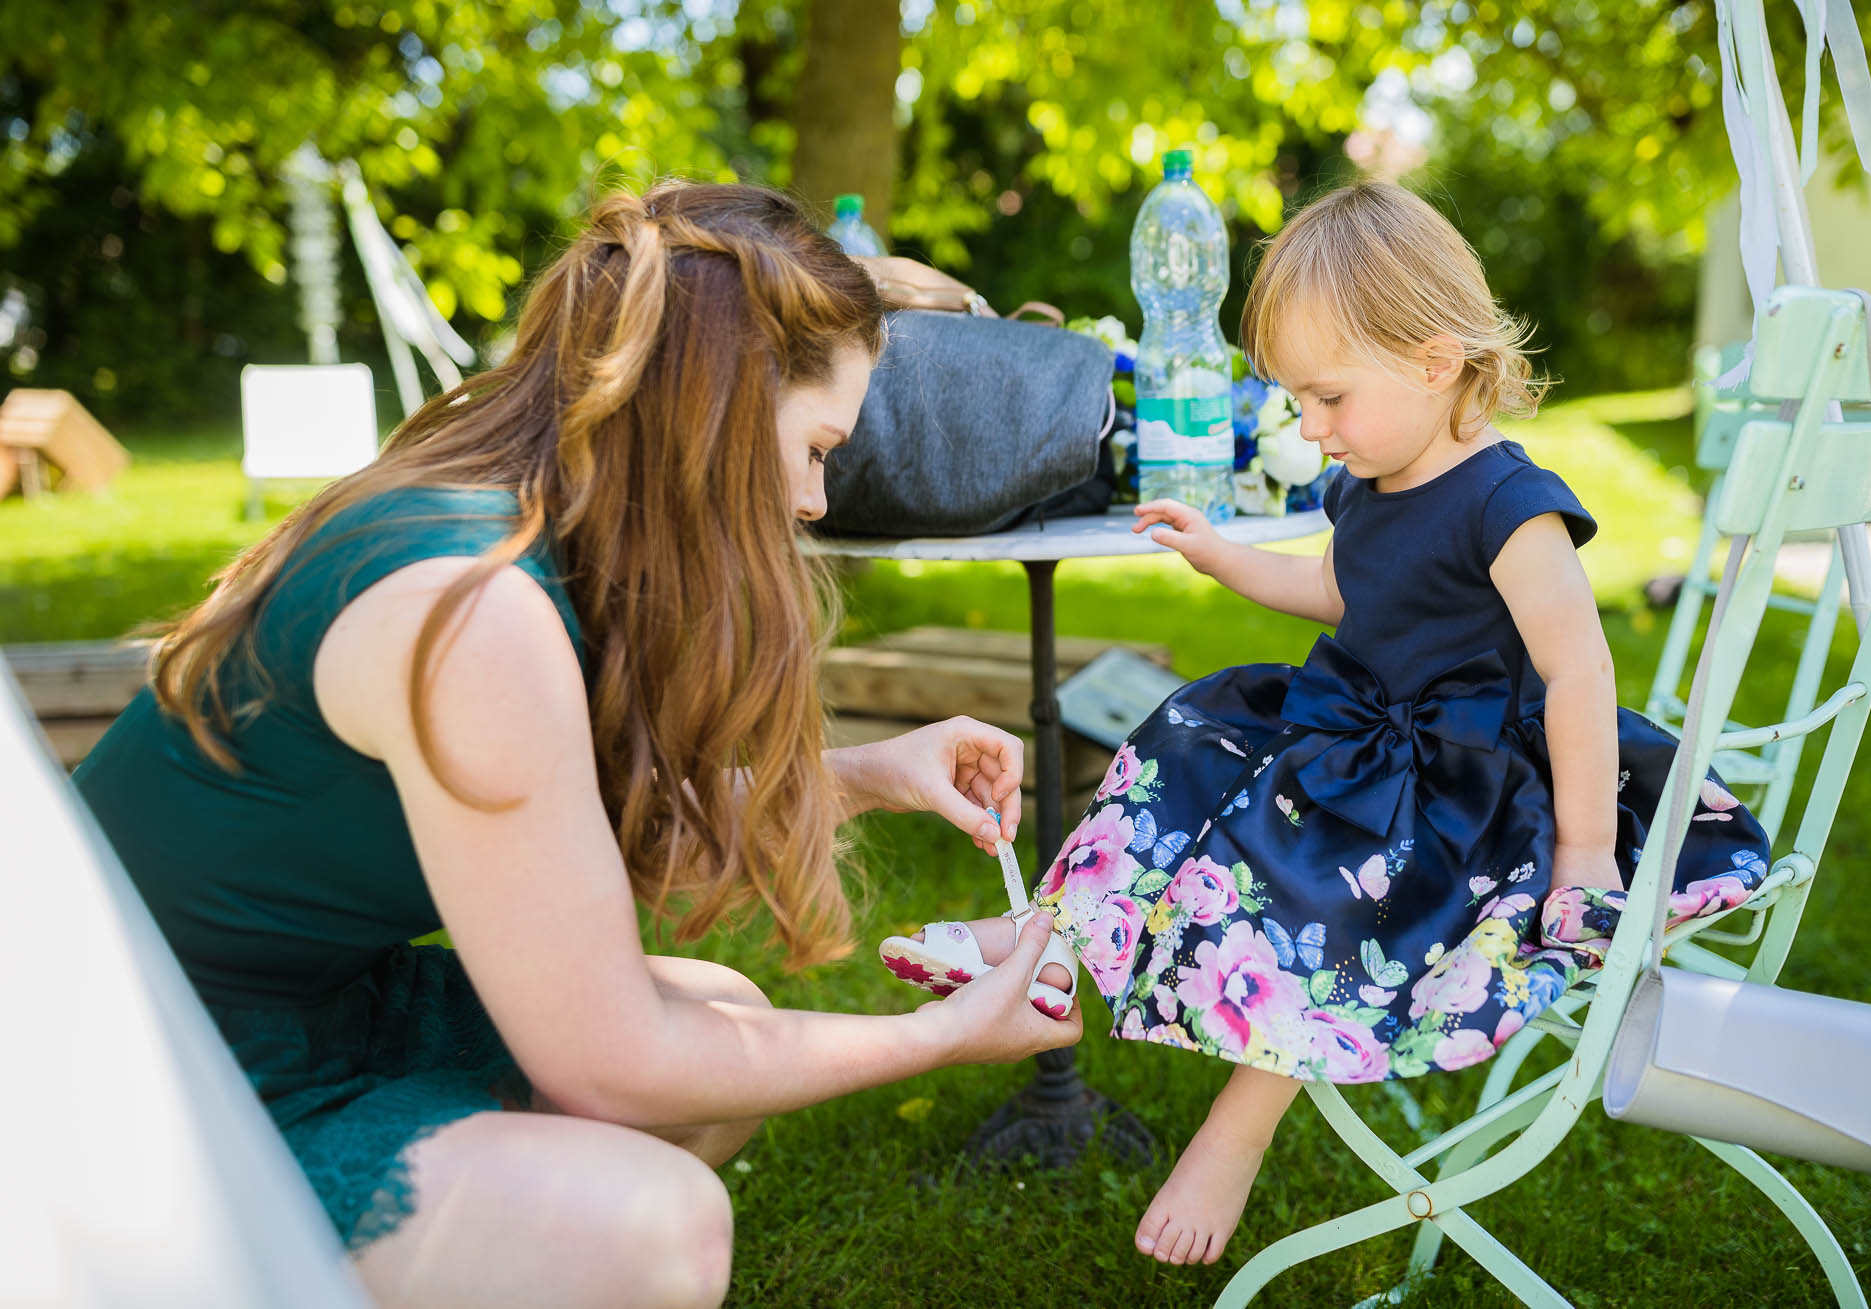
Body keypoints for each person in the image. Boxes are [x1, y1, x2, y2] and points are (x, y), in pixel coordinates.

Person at [71, 179, 1080, 1309]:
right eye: (813, 448)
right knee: (655, 1230)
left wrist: (857, 777)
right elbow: (606, 1062)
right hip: (122, 1088)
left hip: (286, 1008)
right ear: (718, 408)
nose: (810, 500)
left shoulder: (521, 506)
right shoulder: (476, 610)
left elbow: (584, 841)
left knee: (721, 1025)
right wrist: (939, 1034)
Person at [876, 181, 1772, 1267]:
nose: (1309, 426)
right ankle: (1048, 940)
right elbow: (1351, 599)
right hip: (1346, 731)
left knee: (1318, 885)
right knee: (1178, 748)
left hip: (1460, 783)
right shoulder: (1368, 479)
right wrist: (1225, 557)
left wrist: (1582, 852)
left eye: (1327, 397)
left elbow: (1577, 672)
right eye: (1298, 401)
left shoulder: (1508, 505)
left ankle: (1234, 1131)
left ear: (1434, 360)